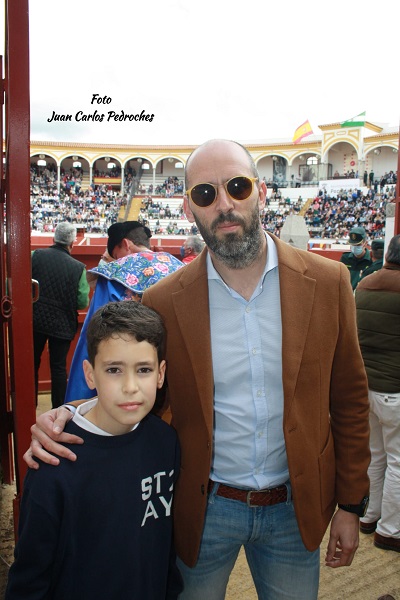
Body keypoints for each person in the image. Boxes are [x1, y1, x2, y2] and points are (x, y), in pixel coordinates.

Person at [25, 139, 370, 600]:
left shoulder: (329, 282)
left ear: (261, 193)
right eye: (206, 195)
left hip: (295, 507)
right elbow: (140, 383)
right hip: (201, 507)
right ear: (189, 208)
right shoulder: (164, 299)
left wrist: (351, 503)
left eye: (238, 187)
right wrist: (71, 414)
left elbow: (348, 399)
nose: (224, 205)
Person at [6, 301, 182, 599]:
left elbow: (162, 546)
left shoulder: (165, 442)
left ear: (161, 374)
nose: (130, 386)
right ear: (90, 374)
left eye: (143, 370)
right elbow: (30, 576)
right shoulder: (54, 461)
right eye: (114, 370)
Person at [65, 220, 183, 403]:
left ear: (126, 244)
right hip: (177, 381)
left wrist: (78, 399)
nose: (116, 259)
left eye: (115, 253)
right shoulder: (180, 268)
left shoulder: (114, 275)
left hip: (129, 381)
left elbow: (94, 335)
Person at [355, 234, 400, 553]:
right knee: (397, 461)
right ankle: (389, 529)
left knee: (376, 456)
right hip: (394, 389)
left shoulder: (366, 284)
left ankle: (368, 517)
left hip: (365, 385)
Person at [32, 222, 90, 408]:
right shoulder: (78, 267)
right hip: (62, 323)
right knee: (58, 367)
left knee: (32, 362)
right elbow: (82, 302)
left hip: (36, 318)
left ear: (53, 238)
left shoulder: (36, 256)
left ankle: (29, 403)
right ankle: (58, 408)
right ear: (72, 243)